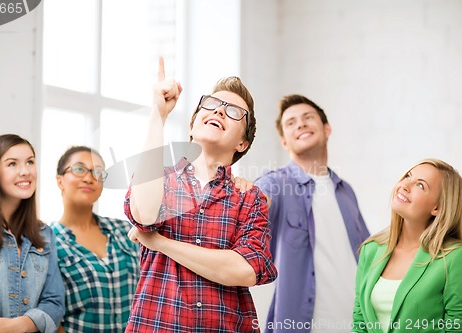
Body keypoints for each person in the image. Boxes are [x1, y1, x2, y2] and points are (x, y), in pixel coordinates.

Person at [124, 58, 277, 332]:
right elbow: (144, 215)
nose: (219, 111)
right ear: (192, 126)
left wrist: (159, 243)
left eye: (233, 112)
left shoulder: (249, 197)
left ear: (243, 142)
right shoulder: (159, 178)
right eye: (212, 105)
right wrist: (158, 114)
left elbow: (244, 270)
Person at [254, 94, 370, 333]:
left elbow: (369, 254)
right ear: (284, 141)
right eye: (291, 123)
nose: (301, 124)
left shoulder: (345, 190)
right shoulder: (275, 183)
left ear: (327, 129)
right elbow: (255, 202)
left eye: (308, 117)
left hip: (358, 324)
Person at [0, 134, 65, 333]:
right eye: (12, 164)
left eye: (30, 162)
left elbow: (55, 303)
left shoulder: (45, 234)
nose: (25, 171)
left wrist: (22, 324)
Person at [352, 158, 462, 333]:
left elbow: (456, 327)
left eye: (420, 185)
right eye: (408, 176)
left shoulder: (454, 257)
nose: (405, 185)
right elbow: (360, 322)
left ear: (437, 208)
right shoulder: (370, 250)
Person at [50, 146, 140, 333]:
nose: (90, 177)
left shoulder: (125, 230)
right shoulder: (47, 243)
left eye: (98, 172)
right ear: (60, 181)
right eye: (79, 169)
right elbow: (49, 315)